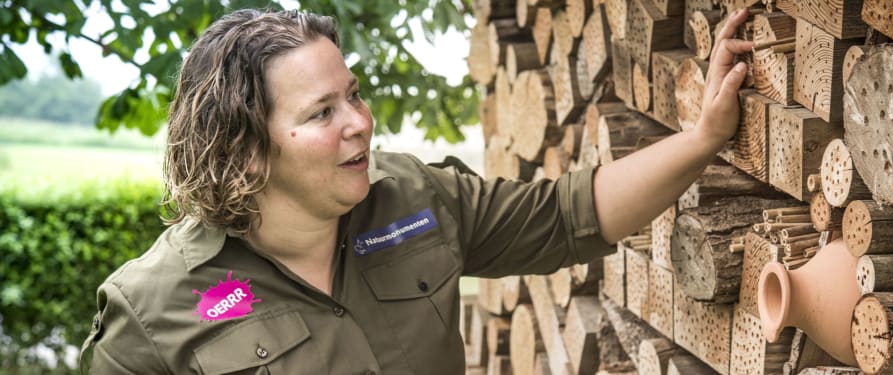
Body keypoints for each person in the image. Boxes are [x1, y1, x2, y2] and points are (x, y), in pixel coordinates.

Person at [80, 7, 753, 374]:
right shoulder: (150, 311)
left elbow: (571, 213)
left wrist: (702, 137)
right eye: (322, 113)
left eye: (355, 95)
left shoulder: (412, 197)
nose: (360, 123)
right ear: (246, 152)